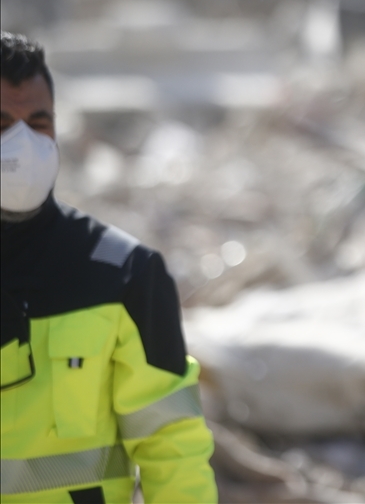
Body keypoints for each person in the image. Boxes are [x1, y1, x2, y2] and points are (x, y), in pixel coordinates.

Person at [0, 32, 217, 503]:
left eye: (37, 123)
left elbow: (172, 446)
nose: (21, 143)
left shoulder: (126, 274)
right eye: (1, 123)